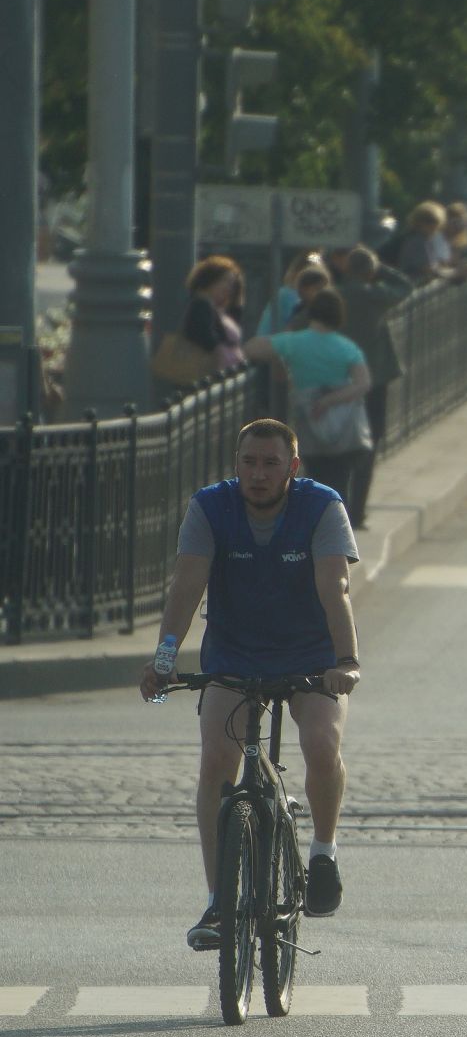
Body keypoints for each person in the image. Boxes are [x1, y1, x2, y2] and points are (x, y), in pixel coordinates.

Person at [139, 417, 362, 949]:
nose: (258, 475)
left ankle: (323, 852)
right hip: (234, 654)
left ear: (293, 468)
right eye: (248, 462)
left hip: (312, 654)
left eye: (270, 464)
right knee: (217, 758)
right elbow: (187, 586)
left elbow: (335, 585)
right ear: (235, 463)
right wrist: (164, 658)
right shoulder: (210, 507)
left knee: (321, 743)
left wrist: (347, 661)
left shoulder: (322, 505)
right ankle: (219, 902)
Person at [240, 288, 373, 508]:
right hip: (345, 424)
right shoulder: (347, 348)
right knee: (340, 479)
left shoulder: (294, 343)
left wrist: (281, 361)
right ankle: (340, 527)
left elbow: (251, 348)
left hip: (309, 418)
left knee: (315, 478)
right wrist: (330, 400)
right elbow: (363, 382)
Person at [338, 247, 413, 526]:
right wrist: (381, 268)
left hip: (340, 380)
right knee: (369, 445)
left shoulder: (336, 295)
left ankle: (339, 508)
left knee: (340, 445)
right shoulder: (373, 296)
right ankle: (357, 511)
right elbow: (405, 286)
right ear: (369, 272)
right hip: (374, 378)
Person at [180, 256, 249, 371]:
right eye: (225, 281)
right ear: (210, 279)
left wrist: (238, 294)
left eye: (232, 284)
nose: (229, 288)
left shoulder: (218, 310)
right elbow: (205, 334)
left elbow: (235, 314)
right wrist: (219, 352)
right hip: (211, 372)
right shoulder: (201, 304)